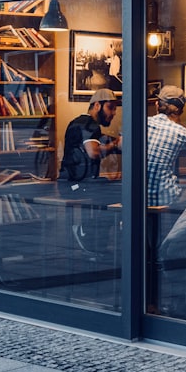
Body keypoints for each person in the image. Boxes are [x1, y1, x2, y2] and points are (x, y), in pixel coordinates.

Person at [59, 88, 122, 255]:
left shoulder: (80, 122)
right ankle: (86, 232)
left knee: (110, 189)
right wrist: (116, 144)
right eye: (110, 107)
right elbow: (93, 152)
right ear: (96, 106)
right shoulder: (90, 125)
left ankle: (96, 240)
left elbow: (96, 146)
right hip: (76, 186)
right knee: (118, 194)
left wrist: (111, 143)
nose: (114, 113)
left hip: (70, 183)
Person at [146, 85, 186, 208]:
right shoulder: (181, 132)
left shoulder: (143, 122)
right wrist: (178, 122)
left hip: (135, 195)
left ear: (157, 105)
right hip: (163, 197)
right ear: (180, 111)